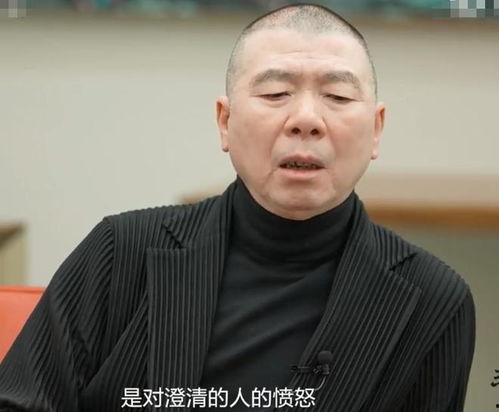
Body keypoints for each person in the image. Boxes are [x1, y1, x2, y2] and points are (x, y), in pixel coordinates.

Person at [0, 3, 475, 412]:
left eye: (337, 96)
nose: (306, 119)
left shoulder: (433, 300)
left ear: (376, 129)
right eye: (275, 93)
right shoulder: (120, 251)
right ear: (225, 121)